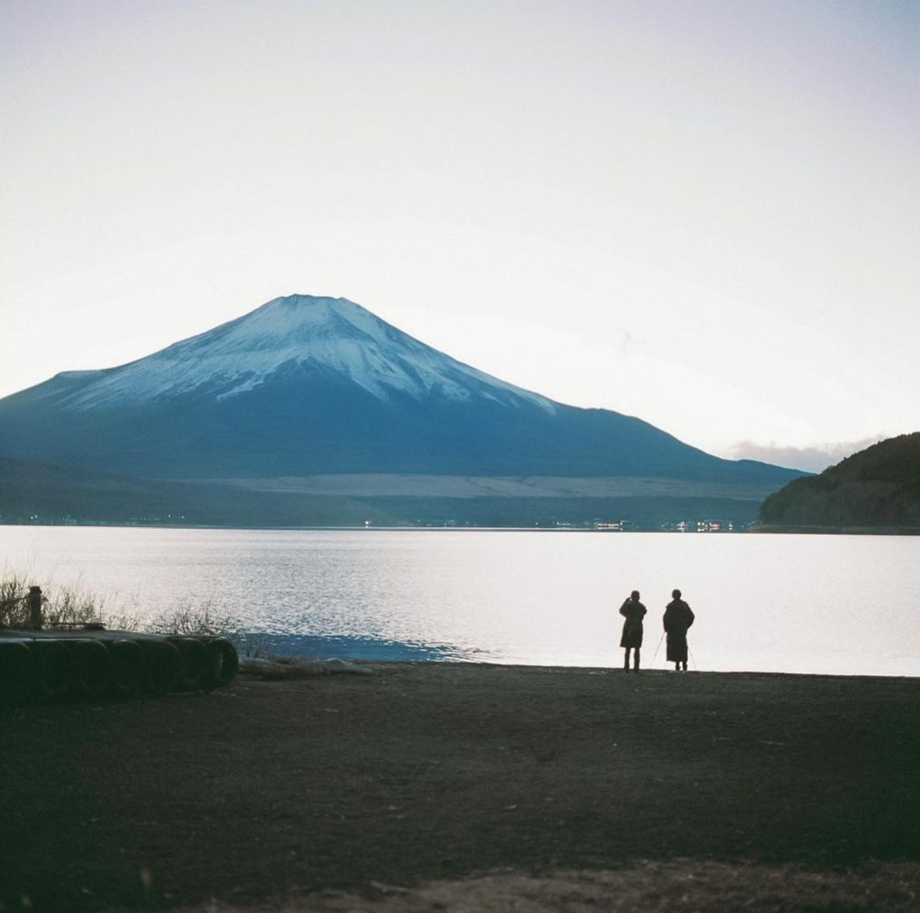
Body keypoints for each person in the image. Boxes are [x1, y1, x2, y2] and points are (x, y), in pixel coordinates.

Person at [663, 588, 695, 671]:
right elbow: (691, 616)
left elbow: (665, 618)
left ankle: (677, 665)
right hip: (681, 629)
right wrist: (686, 625)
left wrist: (666, 627)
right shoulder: (684, 605)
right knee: (682, 646)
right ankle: (684, 664)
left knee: (675, 646)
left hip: (673, 630)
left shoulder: (671, 606)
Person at [619, 590, 646, 672]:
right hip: (638, 627)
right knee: (637, 648)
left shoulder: (629, 604)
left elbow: (621, 611)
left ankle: (626, 666)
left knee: (628, 649)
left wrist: (625, 602)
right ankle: (636, 667)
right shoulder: (641, 606)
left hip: (628, 626)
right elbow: (644, 612)